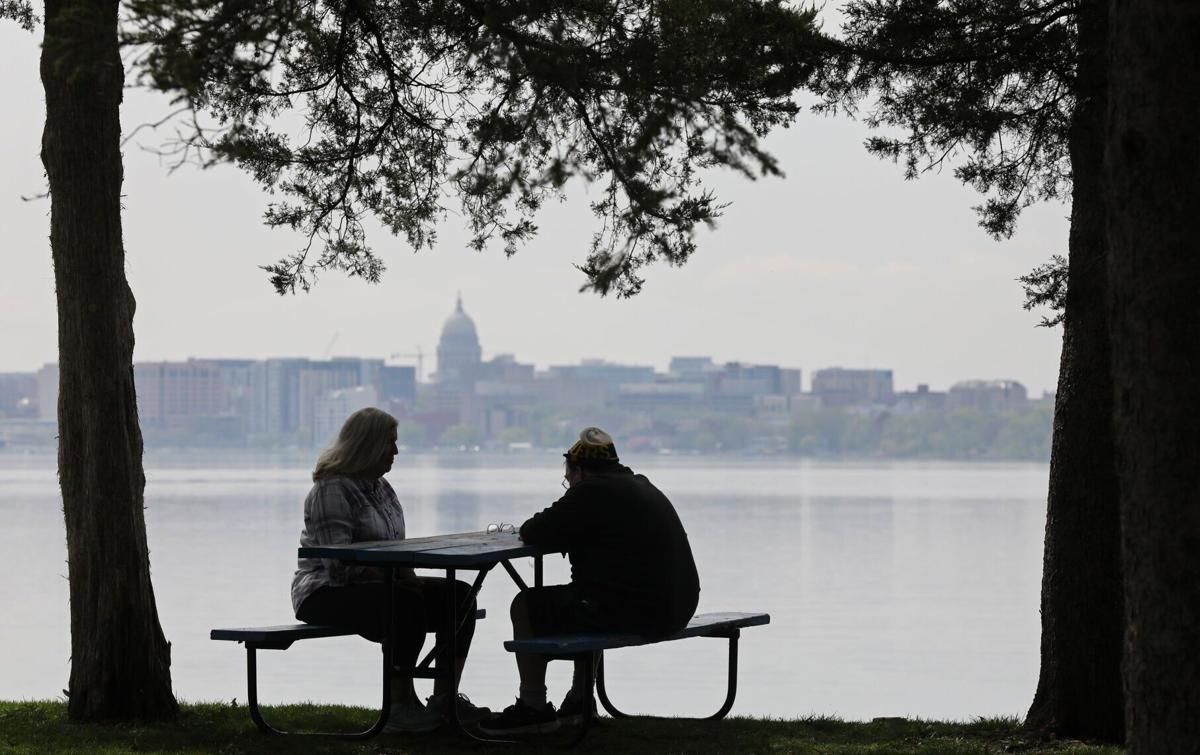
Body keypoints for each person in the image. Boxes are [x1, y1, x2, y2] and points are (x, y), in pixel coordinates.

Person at [479, 427, 701, 735]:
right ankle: (579, 699)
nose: (568, 484)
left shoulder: (590, 491)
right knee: (589, 596)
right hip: (678, 606)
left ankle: (533, 707)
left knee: (526, 605)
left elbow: (534, 530)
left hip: (645, 612)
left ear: (579, 471)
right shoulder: (639, 484)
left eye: (567, 478)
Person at [291, 407, 488, 732]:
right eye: (389, 443)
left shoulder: (382, 489)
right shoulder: (331, 490)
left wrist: (408, 578)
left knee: (460, 596)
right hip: (323, 592)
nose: (395, 451)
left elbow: (397, 549)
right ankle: (398, 706)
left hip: (381, 584)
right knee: (405, 603)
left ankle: (445, 700)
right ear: (367, 445)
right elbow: (338, 567)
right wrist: (401, 581)